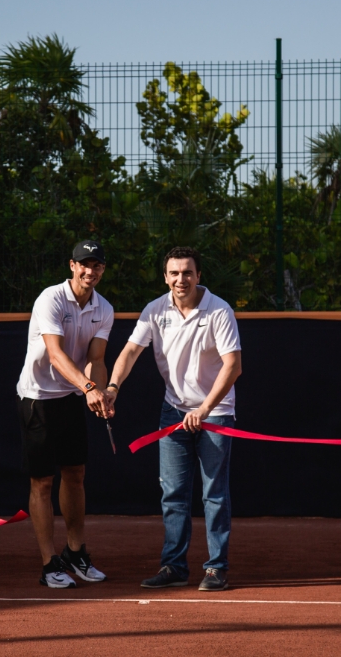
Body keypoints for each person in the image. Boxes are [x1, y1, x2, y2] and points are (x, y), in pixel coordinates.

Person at [105, 246, 242, 591]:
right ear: (165, 277)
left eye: (188, 273)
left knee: (214, 493)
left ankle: (215, 568)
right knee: (173, 493)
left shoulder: (219, 311)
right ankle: (174, 567)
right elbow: (130, 352)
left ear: (199, 276)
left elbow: (233, 366)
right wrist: (112, 388)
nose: (181, 279)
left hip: (215, 414)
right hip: (173, 412)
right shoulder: (155, 310)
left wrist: (204, 410)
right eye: (174, 273)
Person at [17, 239, 114, 588]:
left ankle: (75, 552)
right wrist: (88, 387)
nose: (91, 271)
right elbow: (56, 356)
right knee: (42, 481)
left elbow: (98, 360)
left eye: (97, 265)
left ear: (103, 269)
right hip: (38, 397)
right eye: (84, 264)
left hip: (73, 395)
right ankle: (49, 563)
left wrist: (99, 393)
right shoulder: (51, 298)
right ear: (71, 266)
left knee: (75, 473)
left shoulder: (104, 309)